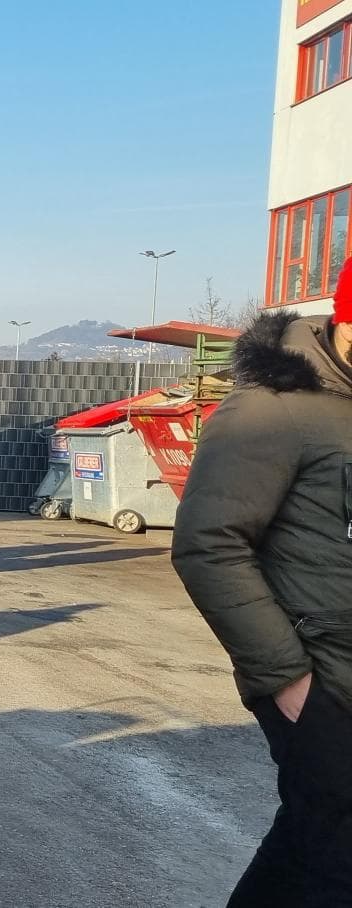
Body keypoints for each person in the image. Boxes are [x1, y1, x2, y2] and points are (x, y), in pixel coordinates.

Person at [172, 267, 352, 904]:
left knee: (314, 848)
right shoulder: (269, 411)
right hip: (325, 684)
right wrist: (288, 679)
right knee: (331, 855)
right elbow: (208, 545)